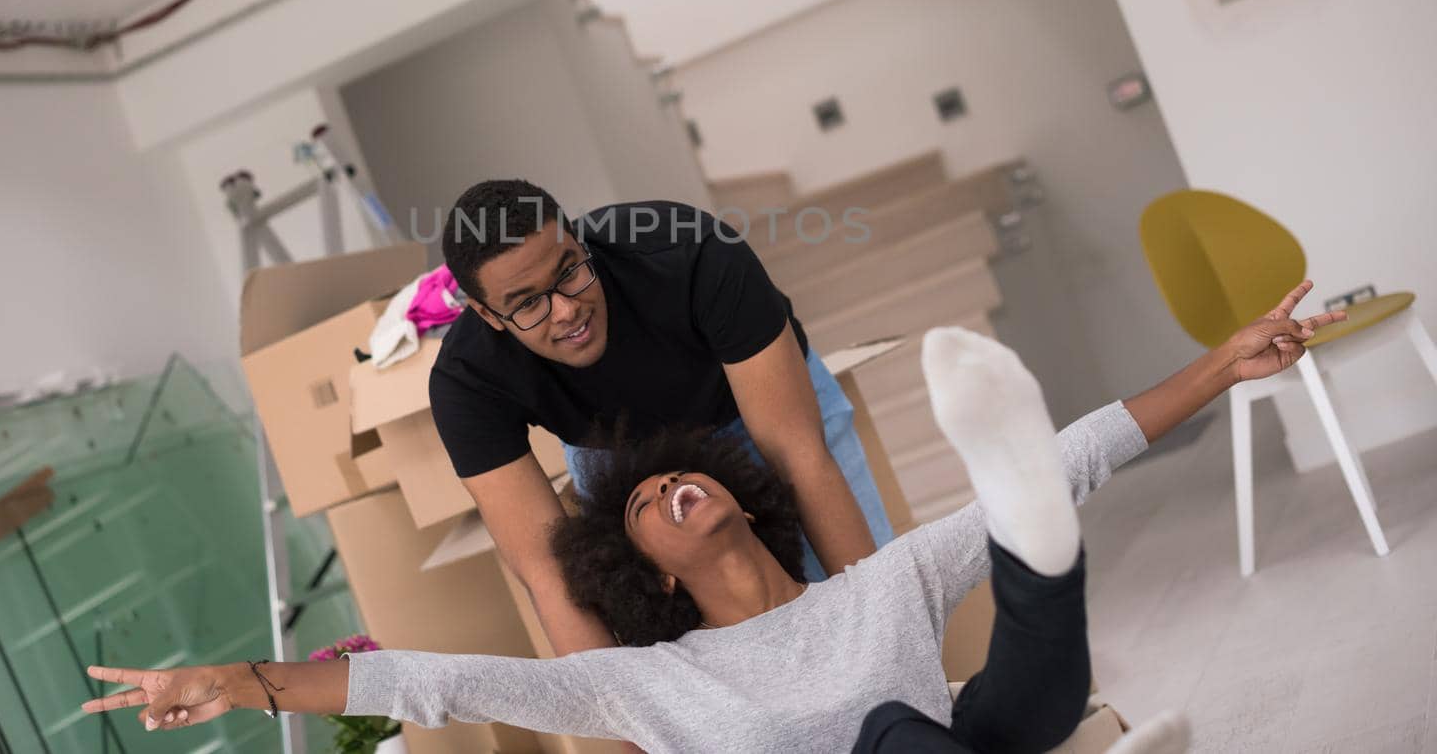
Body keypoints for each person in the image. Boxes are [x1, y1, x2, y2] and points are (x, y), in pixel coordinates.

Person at [82, 283, 1338, 752]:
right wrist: (238, 682)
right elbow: (430, 685)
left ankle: (1032, 552)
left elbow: (1077, 456)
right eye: (641, 506)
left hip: (965, 741)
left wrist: (1221, 367)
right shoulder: (643, 685)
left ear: (742, 500)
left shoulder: (874, 590)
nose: (671, 485)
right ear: (651, 578)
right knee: (903, 735)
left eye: (680, 477)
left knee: (1014, 571)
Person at [428, 178, 894, 659]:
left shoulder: (690, 248)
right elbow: (547, 574)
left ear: (577, 239)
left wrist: (882, 641)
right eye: (528, 303)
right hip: (616, 454)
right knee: (688, 655)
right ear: (486, 314)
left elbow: (799, 456)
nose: (566, 311)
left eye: (569, 273)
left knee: (859, 604)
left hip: (749, 406)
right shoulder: (466, 381)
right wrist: (640, 729)